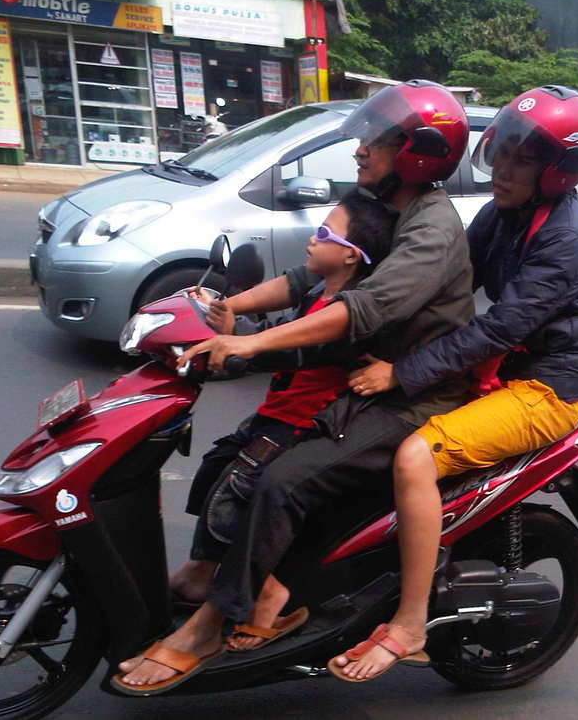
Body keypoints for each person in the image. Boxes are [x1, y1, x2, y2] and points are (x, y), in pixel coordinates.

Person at [115, 79, 472, 693]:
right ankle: (222, 575)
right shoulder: (383, 204)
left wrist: (251, 343)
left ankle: (212, 624)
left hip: (411, 396)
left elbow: (365, 308)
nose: (362, 151)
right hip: (361, 378)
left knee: (283, 478)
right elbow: (311, 277)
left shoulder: (431, 228)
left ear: (417, 152)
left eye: (379, 142)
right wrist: (230, 308)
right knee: (242, 452)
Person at [329, 86, 578, 681]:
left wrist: (401, 371)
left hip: (546, 391)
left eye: (522, 159)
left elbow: (498, 329)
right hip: (503, 372)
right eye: (503, 152)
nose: (503, 169)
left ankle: (407, 625)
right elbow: (449, 280)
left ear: (560, 171)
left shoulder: (564, 238)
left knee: (412, 460)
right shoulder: (502, 212)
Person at [171, 190, 395, 651]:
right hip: (278, 410)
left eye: (324, 234)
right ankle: (200, 571)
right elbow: (281, 313)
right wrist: (227, 314)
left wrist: (242, 344)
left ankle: (270, 589)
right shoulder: (317, 291)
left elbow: (290, 348)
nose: (312, 240)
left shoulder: (345, 313)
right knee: (216, 466)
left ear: (350, 255)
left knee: (240, 489)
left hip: (303, 422)